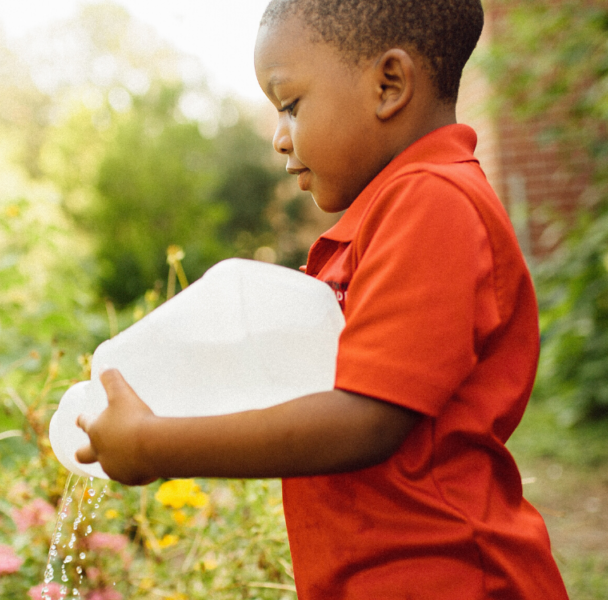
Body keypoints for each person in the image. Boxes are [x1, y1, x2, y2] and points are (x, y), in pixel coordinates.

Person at [75, 0, 570, 598]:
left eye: (290, 104)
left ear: (389, 85)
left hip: (449, 575)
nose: (280, 138)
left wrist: (155, 443)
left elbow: (366, 419)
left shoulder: (434, 202)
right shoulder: (383, 218)